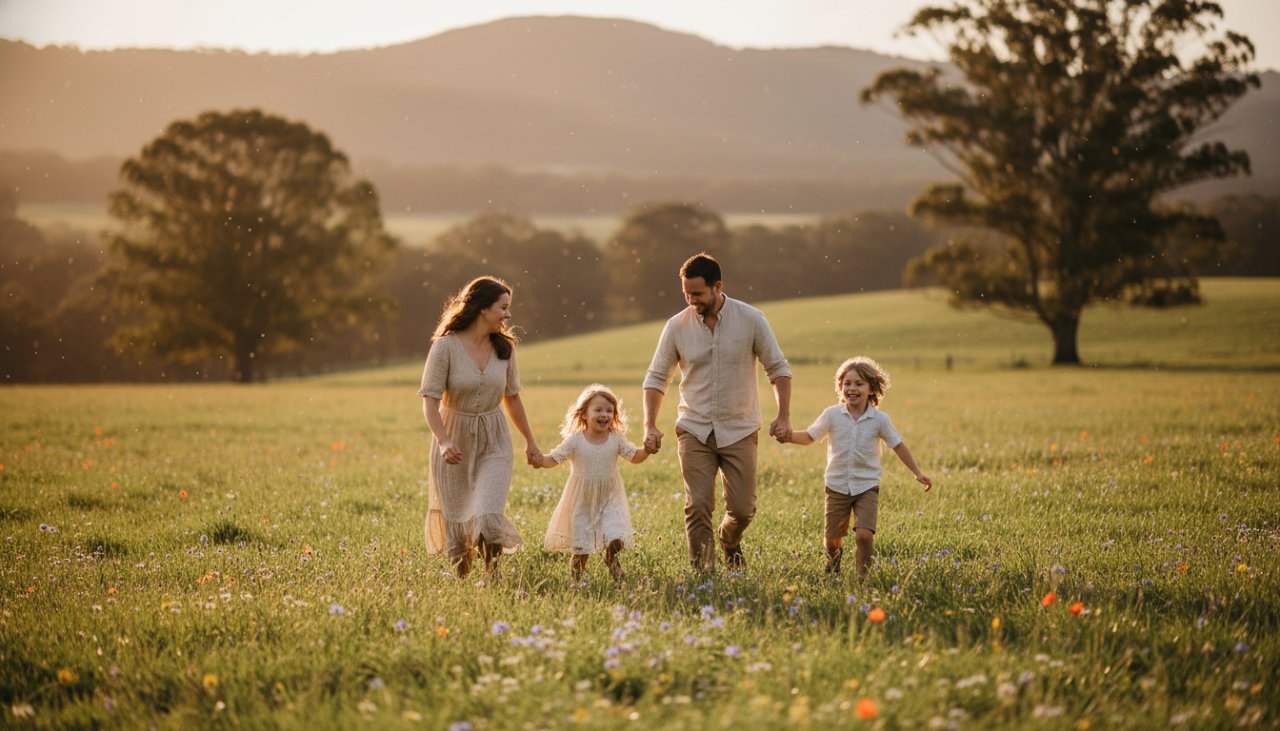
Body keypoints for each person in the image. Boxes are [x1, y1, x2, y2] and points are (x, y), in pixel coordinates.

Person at [642, 252, 793, 572]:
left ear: (718, 286)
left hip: (740, 426)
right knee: (697, 505)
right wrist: (650, 425)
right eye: (686, 293)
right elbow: (656, 378)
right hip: (694, 427)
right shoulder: (676, 327)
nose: (691, 300)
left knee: (742, 510)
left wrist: (783, 416)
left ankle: (729, 540)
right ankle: (705, 575)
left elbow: (778, 369)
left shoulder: (751, 319)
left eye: (697, 293)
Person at [418, 276, 541, 579]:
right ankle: (462, 583)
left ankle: (492, 575)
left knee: (487, 514)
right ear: (483, 309)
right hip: (454, 440)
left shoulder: (506, 348)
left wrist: (530, 442)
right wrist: (444, 441)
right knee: (457, 525)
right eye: (503, 307)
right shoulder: (445, 347)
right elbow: (430, 402)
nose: (507, 314)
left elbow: (512, 398)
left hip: (494, 438)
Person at [784, 356, 932, 576]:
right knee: (832, 540)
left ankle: (863, 579)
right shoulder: (832, 415)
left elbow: (898, 445)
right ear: (840, 387)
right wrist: (787, 436)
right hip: (836, 485)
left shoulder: (879, 420)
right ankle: (833, 564)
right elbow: (809, 436)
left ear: (872, 389)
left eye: (859, 384)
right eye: (847, 384)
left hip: (867, 486)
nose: (852, 388)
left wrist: (917, 472)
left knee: (864, 535)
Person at [533, 384, 652, 582]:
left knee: (616, 537)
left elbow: (635, 456)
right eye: (598, 410)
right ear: (584, 414)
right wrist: (539, 460)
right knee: (582, 549)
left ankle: (610, 558)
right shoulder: (575, 441)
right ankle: (576, 583)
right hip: (582, 501)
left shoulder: (616, 438)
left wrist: (647, 449)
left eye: (609, 410)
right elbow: (554, 458)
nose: (604, 414)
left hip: (609, 498)